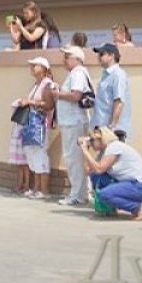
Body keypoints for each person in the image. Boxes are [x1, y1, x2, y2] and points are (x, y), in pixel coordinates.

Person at [80, 126, 142, 220]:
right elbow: (88, 171)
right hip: (130, 183)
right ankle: (110, 208)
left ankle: (137, 208)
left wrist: (85, 151)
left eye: (93, 140)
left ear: (102, 139)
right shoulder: (104, 151)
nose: (91, 143)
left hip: (141, 186)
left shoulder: (114, 147)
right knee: (95, 176)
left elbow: (99, 169)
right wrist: (86, 151)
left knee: (104, 194)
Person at [55, 46, 92, 206]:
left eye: (67, 57)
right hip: (72, 122)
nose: (64, 60)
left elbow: (76, 95)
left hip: (73, 123)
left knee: (73, 159)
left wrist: (57, 94)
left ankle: (77, 195)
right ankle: (83, 193)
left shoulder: (77, 73)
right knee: (77, 159)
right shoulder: (76, 73)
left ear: (76, 58)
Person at [14, 57, 56, 198]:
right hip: (31, 123)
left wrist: (30, 102)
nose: (31, 67)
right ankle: (36, 187)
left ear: (43, 68)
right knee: (32, 154)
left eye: (35, 65)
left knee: (40, 154)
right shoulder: (37, 84)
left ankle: (43, 189)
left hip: (40, 124)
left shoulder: (47, 84)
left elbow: (49, 105)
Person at [93, 44, 132, 139]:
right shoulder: (106, 74)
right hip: (102, 127)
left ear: (112, 55)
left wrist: (112, 126)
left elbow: (119, 102)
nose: (99, 57)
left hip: (112, 130)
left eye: (102, 54)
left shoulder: (118, 74)